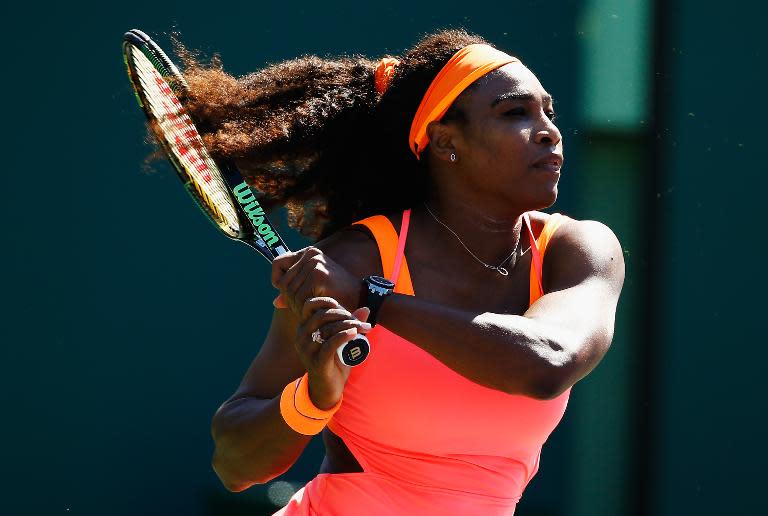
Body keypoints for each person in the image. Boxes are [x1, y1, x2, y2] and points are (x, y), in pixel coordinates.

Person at [186, 29, 625, 515]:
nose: (549, 131)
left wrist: (373, 300)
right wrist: (314, 395)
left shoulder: (577, 249)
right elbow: (234, 464)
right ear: (444, 141)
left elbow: (549, 363)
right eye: (515, 112)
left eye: (548, 112)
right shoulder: (356, 257)